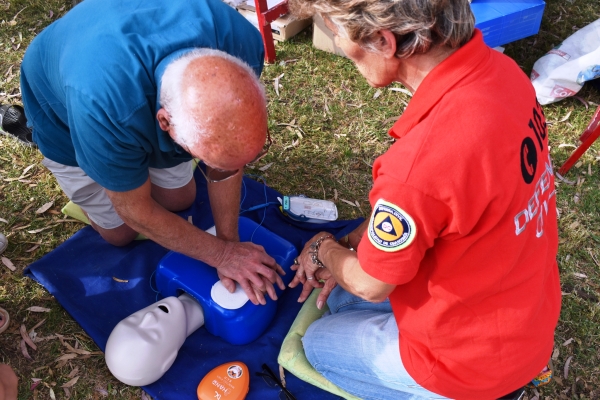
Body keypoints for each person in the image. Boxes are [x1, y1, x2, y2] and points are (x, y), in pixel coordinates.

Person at [287, 0, 561, 399]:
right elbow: (437, 209)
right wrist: (349, 244)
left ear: (384, 41)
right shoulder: (504, 73)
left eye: (335, 31)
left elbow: (369, 285)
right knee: (340, 299)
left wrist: (324, 250)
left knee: (318, 341)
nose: (340, 46)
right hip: (526, 319)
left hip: (470, 367)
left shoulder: (420, 165)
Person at [19, 0, 285, 305]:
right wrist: (222, 255)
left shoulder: (242, 43)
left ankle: (127, 165)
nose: (221, 170)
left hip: (119, 73)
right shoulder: (102, 107)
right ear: (164, 122)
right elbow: (135, 211)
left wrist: (230, 243)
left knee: (180, 198)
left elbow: (227, 165)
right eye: (210, 162)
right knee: (121, 233)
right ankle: (40, 135)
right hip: (62, 108)